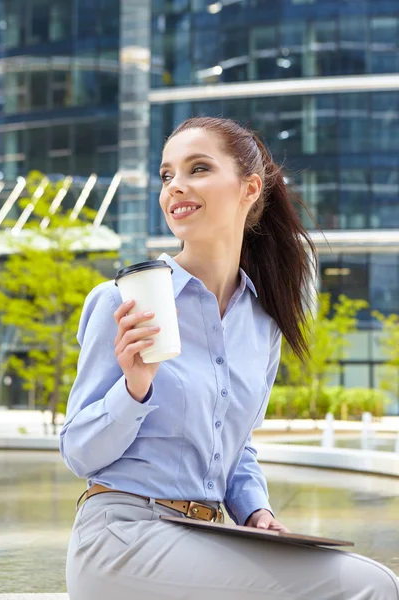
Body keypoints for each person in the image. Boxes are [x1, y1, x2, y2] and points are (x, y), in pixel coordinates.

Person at [61, 117, 399, 600]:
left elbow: (235, 449)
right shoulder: (124, 302)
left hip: (209, 534)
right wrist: (134, 389)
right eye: (166, 174)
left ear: (249, 188)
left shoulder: (261, 323)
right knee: (374, 585)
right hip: (122, 539)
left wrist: (256, 512)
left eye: (197, 168)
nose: (176, 185)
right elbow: (78, 452)